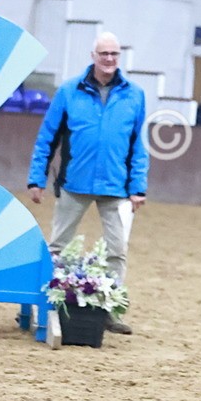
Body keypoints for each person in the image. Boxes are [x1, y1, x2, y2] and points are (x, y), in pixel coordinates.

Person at [27, 32, 149, 335]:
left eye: (114, 54)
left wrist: (138, 187)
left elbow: (138, 145)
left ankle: (109, 311)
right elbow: (47, 139)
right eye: (104, 53)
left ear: (119, 57)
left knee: (117, 250)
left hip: (116, 188)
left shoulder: (135, 95)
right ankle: (51, 305)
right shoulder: (68, 91)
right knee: (58, 247)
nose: (109, 59)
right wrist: (36, 179)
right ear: (93, 55)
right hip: (73, 184)